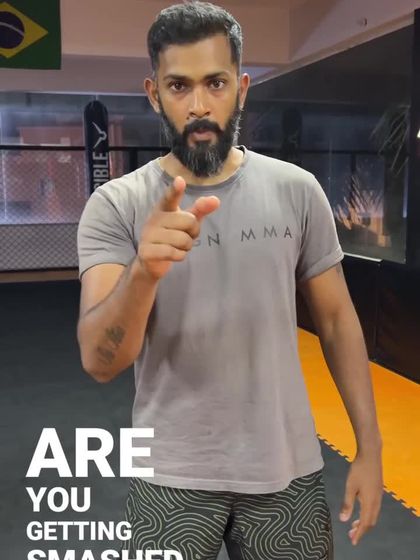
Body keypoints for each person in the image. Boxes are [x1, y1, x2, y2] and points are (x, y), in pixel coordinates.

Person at [76, 2, 383, 559]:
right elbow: (100, 361)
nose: (199, 105)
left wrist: (370, 446)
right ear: (154, 94)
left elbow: (338, 322)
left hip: (285, 469)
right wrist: (144, 273)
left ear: (241, 89)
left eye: (215, 83)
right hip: (169, 476)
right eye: (179, 86)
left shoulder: (296, 190)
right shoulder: (116, 205)